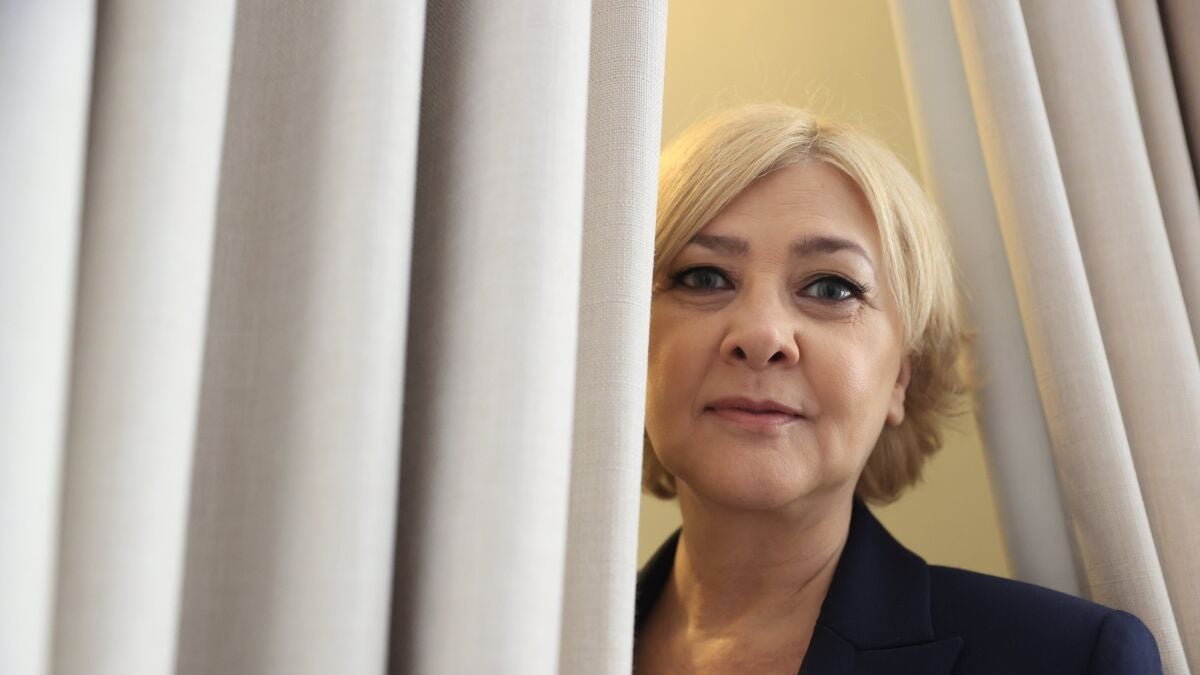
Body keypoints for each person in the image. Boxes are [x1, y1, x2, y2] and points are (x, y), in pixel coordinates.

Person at [634, 103, 1163, 674]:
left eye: (831, 288)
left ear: (902, 376)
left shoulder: (1072, 659)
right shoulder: (557, 632)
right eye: (703, 277)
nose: (761, 336)